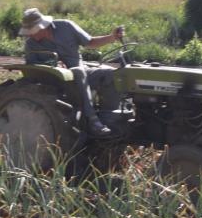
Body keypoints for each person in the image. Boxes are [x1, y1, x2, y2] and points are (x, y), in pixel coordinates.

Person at [19, 8, 124, 136]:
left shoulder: (66, 27)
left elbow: (90, 43)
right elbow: (32, 68)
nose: (29, 35)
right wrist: (52, 64)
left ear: (42, 27)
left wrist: (112, 37)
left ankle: (112, 118)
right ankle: (92, 120)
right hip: (56, 79)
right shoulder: (31, 44)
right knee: (78, 71)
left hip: (80, 69)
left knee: (111, 74)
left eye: (31, 32)